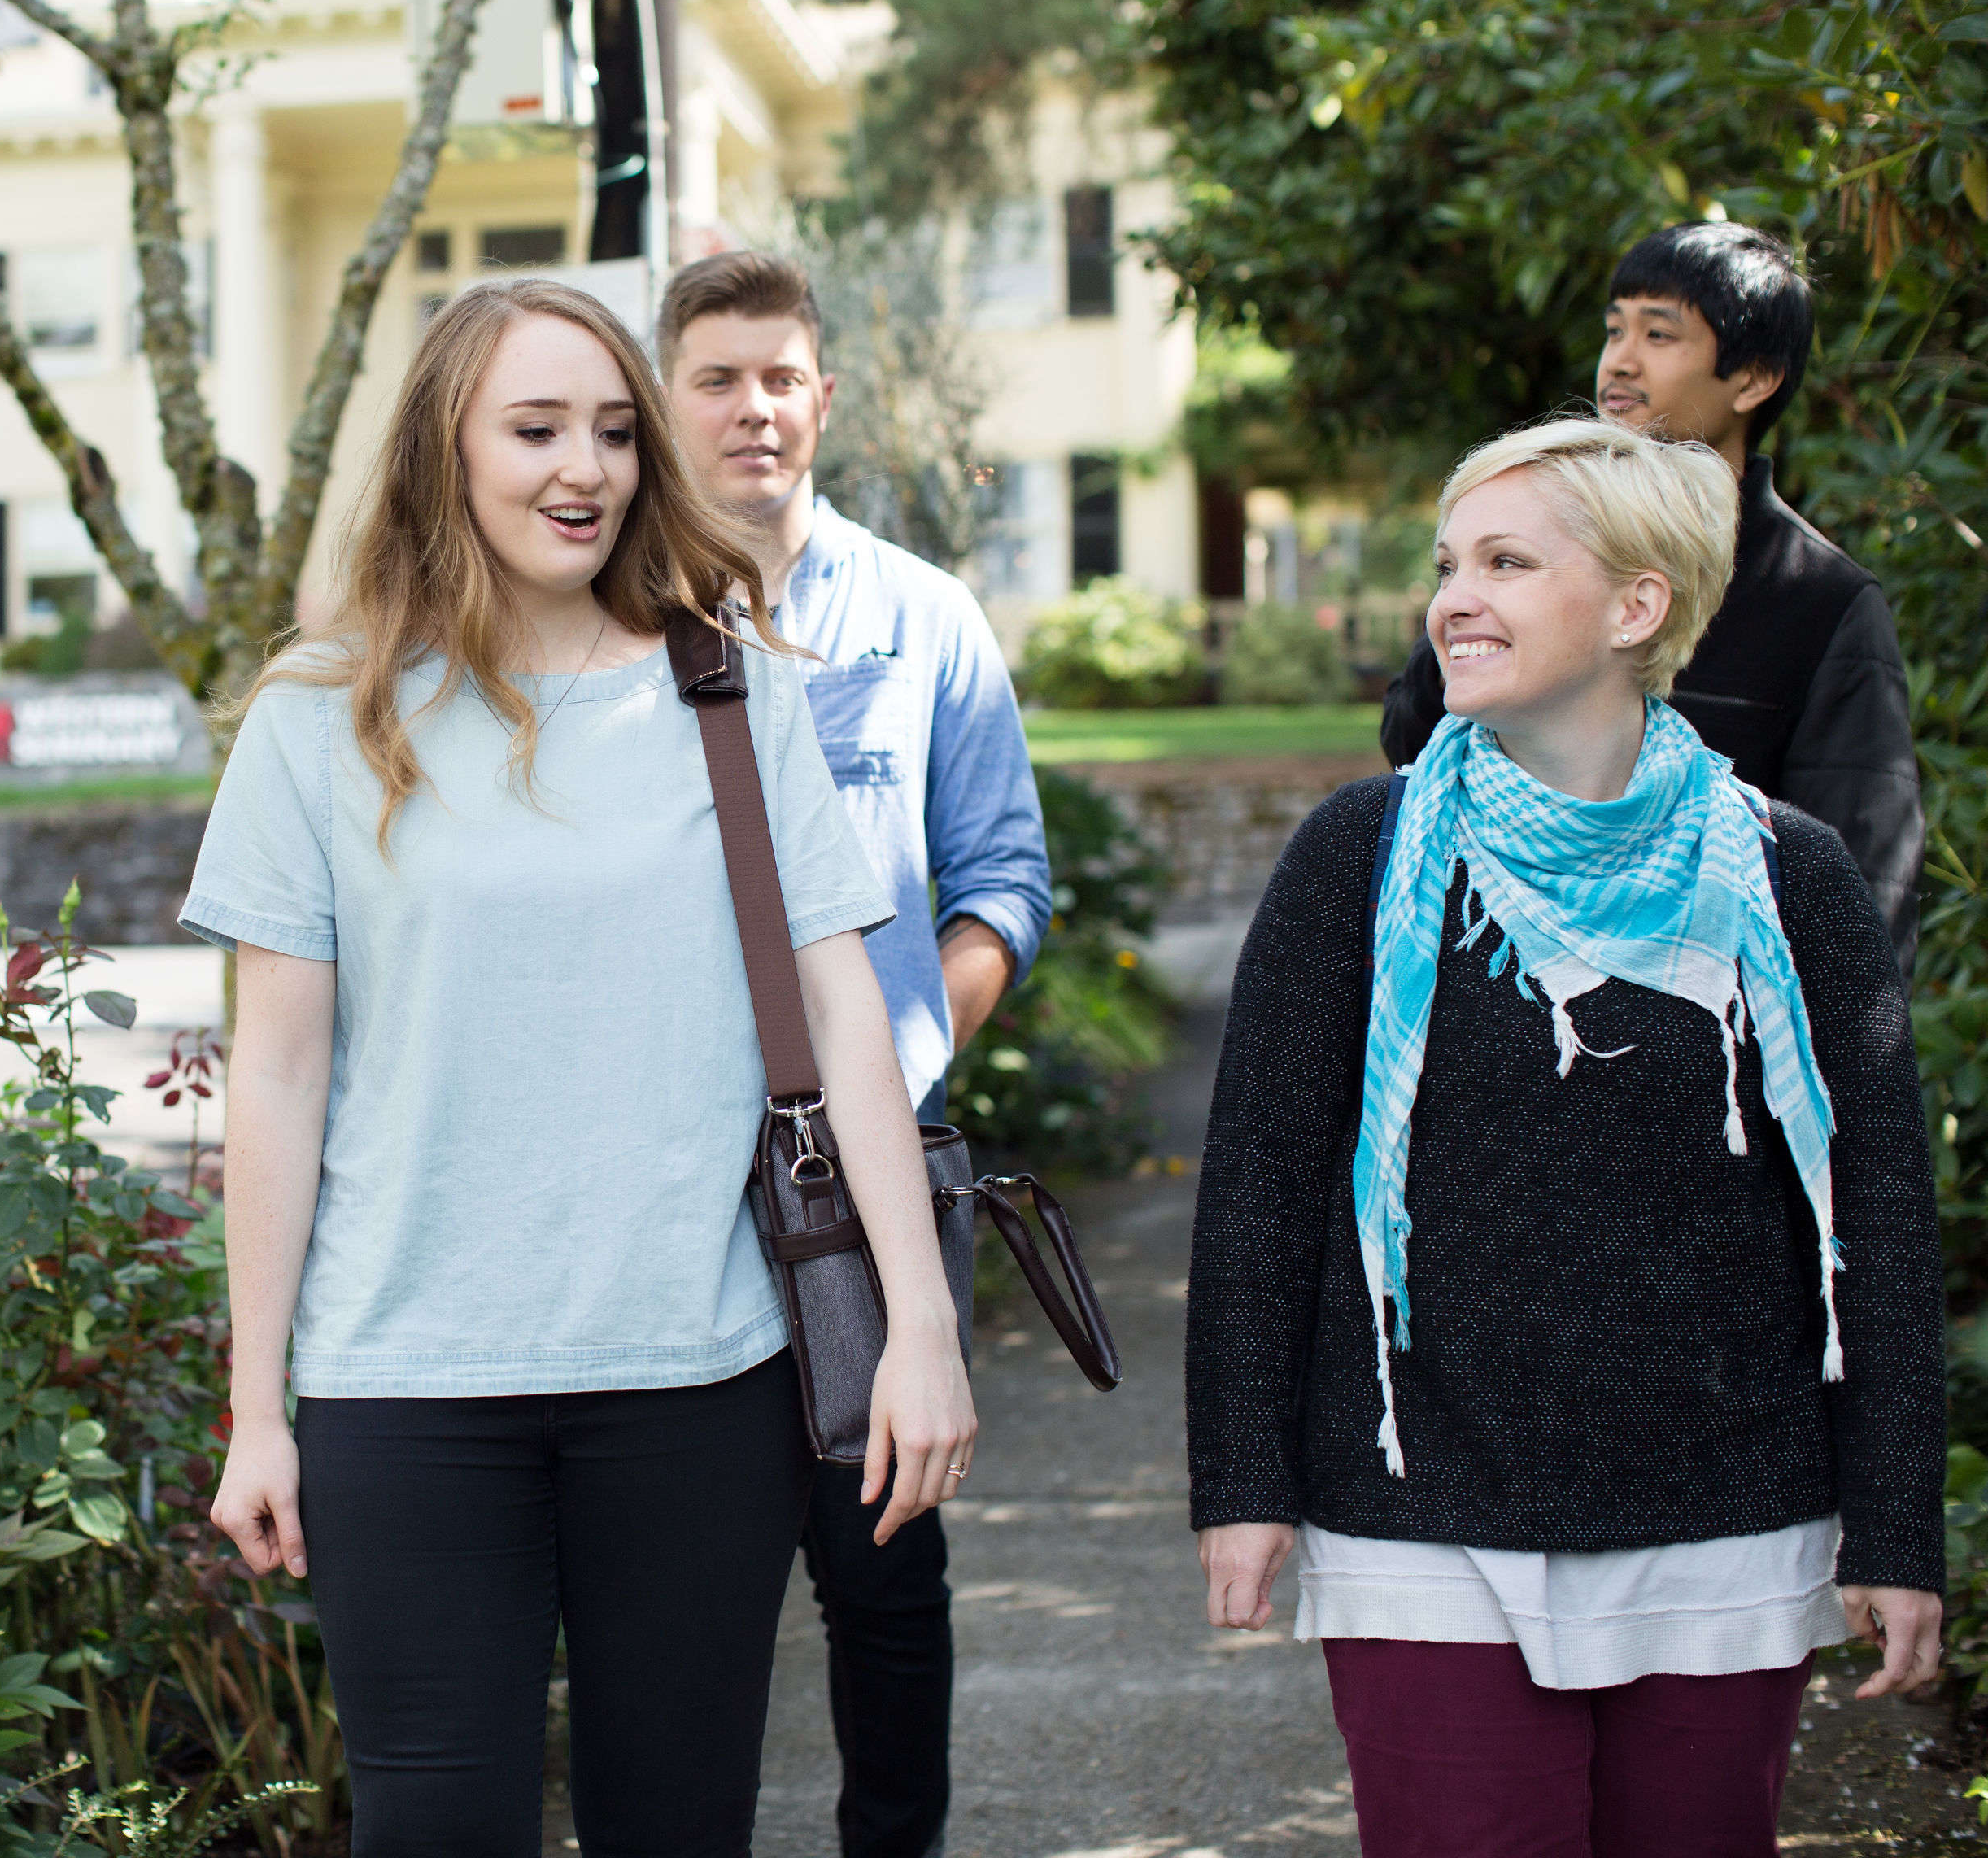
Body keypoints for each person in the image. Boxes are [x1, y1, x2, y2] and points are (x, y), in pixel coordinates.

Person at [192, 276, 979, 1858]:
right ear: (444, 452)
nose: (589, 468)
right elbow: (272, 1077)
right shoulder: (314, 720)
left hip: (695, 1382)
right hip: (405, 1388)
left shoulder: (729, 686)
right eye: (538, 428)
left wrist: (923, 1330)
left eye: (616, 431)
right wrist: (254, 1408)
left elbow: (846, 1025)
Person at [1191, 417, 1942, 1858]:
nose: (1453, 597)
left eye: (1508, 562)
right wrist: (1243, 1488)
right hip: (1423, 1518)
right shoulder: (1358, 855)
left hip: (1723, 1515)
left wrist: (1898, 1527)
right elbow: (1263, 1190)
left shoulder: (1794, 877)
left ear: (1637, 604)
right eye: (1448, 563)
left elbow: (1875, 1220)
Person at [657, 249, 1051, 1858]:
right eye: (717, 377)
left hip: (870, 1208)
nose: (754, 406)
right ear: (666, 401)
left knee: (888, 1582)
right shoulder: (608, 618)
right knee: (684, 1606)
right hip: (664, 1187)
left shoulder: (922, 618)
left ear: (823, 396)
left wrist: (892, 1068)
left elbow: (1001, 885)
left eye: (780, 376)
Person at [1380, 224, 1922, 980]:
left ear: (1754, 379)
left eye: (1659, 333)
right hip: (1491, 980)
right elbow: (1415, 741)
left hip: (1709, 1026)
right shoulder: (1533, 540)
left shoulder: (1821, 600)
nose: (1619, 362)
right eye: (1614, 329)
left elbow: (1865, 883)